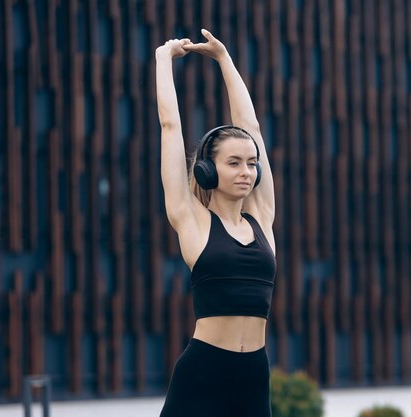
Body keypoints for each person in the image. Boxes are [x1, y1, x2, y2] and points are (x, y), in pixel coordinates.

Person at [155, 29, 276, 417]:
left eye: (251, 164)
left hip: (255, 373)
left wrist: (225, 60)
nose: (246, 172)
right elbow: (170, 128)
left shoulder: (262, 217)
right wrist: (163, 60)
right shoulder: (191, 220)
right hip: (203, 373)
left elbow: (251, 128)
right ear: (208, 170)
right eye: (234, 163)